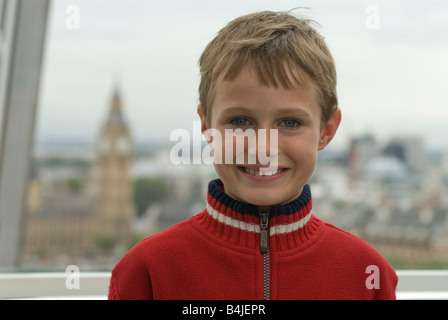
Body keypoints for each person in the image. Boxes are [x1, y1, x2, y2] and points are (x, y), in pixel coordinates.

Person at [108, 10, 398, 300]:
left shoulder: (367, 274)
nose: (262, 148)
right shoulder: (146, 272)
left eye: (289, 123)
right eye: (240, 121)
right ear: (207, 127)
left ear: (327, 130)